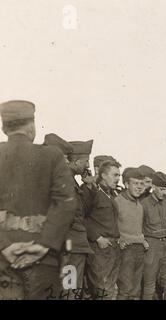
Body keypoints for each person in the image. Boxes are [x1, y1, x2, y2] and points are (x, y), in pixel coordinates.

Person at [0, 100, 76, 300]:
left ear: (4, 127)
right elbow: (66, 203)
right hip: (43, 258)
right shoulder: (52, 156)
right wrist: (44, 244)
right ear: (32, 127)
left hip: (3, 258)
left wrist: (5, 245)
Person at [85, 160, 122, 299]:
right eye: (115, 175)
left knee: (111, 289)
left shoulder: (111, 195)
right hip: (100, 249)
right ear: (103, 175)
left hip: (113, 248)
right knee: (103, 290)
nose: (118, 179)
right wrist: (97, 238)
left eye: (119, 175)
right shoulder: (92, 193)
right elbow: (82, 217)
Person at [64, 139, 95, 298]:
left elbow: (83, 211)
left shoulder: (72, 182)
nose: (88, 166)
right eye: (86, 161)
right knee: (71, 289)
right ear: (75, 161)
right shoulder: (65, 182)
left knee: (72, 289)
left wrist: (88, 186)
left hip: (75, 245)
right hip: (71, 246)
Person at [141, 172, 166, 300]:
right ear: (154, 187)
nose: (164, 193)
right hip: (151, 248)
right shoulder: (144, 204)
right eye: (161, 189)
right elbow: (139, 227)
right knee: (149, 286)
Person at [115, 168, 149, 300]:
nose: (139, 187)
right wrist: (120, 240)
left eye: (141, 184)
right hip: (125, 251)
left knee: (136, 290)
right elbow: (112, 227)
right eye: (135, 183)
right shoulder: (117, 202)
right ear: (126, 184)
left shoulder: (139, 205)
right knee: (125, 289)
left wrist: (143, 240)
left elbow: (138, 228)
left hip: (139, 249)